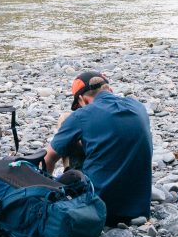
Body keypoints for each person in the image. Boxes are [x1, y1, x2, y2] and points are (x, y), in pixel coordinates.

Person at [43, 70, 153, 223]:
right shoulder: (138, 107)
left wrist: (44, 196)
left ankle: (67, 178)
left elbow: (48, 159)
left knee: (64, 119)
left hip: (96, 209)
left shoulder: (81, 116)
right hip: (138, 209)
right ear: (110, 90)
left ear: (82, 99)